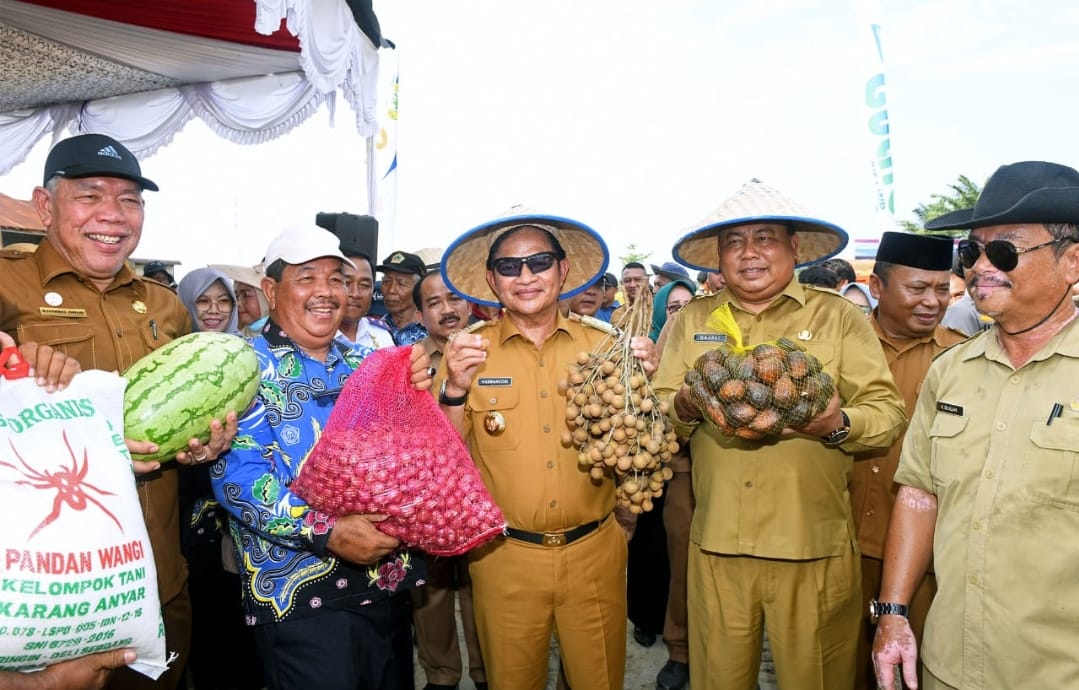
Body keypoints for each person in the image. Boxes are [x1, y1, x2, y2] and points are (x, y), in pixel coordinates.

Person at [0, 133, 237, 690]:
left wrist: (203, 446)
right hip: (48, 589)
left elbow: (186, 417)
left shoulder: (163, 304)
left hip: (157, 581)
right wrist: (12, 376)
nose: (113, 214)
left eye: (130, 199)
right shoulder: (5, 282)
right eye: (90, 195)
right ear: (44, 204)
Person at [656, 178, 905, 690]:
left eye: (765, 238)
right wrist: (684, 403)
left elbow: (886, 413)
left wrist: (835, 425)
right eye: (734, 242)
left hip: (811, 542)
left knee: (818, 678)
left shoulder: (837, 316)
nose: (748, 254)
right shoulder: (692, 320)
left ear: (794, 248)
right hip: (718, 542)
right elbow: (658, 414)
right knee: (717, 680)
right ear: (718, 257)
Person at [872, 161, 1079, 690]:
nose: (980, 267)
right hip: (949, 664)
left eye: (1004, 250)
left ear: (1073, 261)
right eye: (972, 251)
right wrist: (893, 614)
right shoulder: (950, 372)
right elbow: (920, 494)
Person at [438, 206, 658, 690]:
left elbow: (644, 438)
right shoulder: (466, 355)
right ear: (493, 281)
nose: (526, 276)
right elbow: (442, 458)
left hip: (596, 553)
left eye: (539, 262)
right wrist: (454, 389)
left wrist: (650, 378)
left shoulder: (608, 347)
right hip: (503, 559)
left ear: (562, 270)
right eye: (510, 267)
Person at [211, 224, 431, 690]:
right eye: (307, 277)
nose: (327, 292)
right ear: (270, 290)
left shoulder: (367, 365)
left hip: (385, 588)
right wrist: (325, 532)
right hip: (302, 606)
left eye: (336, 278)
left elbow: (405, 460)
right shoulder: (239, 367)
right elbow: (239, 480)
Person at [848, 231, 967, 690]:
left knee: (912, 672)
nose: (932, 302)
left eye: (942, 289)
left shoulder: (961, 357)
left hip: (926, 559)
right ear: (876, 287)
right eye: (917, 289)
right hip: (841, 547)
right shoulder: (844, 349)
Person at [410, 270, 488, 690]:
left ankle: (485, 673)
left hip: (483, 498)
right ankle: (441, 675)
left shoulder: (492, 351)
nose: (447, 309)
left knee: (483, 591)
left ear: (468, 302)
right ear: (421, 314)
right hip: (431, 503)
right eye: (434, 303)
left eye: (453, 299)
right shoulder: (409, 365)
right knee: (432, 593)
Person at [645, 277, 697, 690]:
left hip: (742, 466)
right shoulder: (676, 329)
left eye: (687, 302)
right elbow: (656, 396)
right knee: (682, 564)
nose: (680, 310)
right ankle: (679, 651)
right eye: (672, 305)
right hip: (684, 466)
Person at [339, 251, 395, 351]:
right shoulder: (313, 337)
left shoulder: (381, 335)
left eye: (364, 285)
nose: (355, 293)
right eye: (346, 283)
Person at [376, 250, 429, 345]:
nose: (391, 290)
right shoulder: (374, 329)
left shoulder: (432, 330)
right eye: (387, 281)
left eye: (401, 283)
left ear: (419, 289)